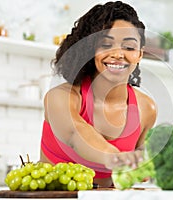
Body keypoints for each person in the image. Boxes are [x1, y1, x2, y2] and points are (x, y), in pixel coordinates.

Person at [39, 1, 157, 187]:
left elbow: (139, 169)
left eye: (129, 47)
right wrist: (118, 159)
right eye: (106, 44)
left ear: (140, 54)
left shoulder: (146, 108)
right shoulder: (60, 98)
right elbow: (76, 135)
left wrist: (144, 167)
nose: (118, 54)